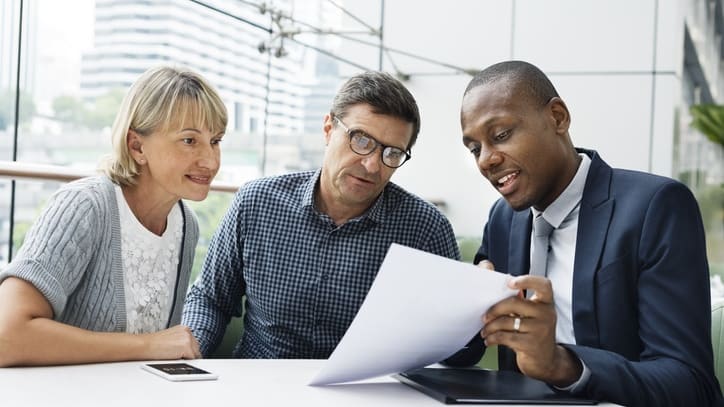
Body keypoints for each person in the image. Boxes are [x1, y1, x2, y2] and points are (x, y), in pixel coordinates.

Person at [458, 60, 724, 406]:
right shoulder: (503, 219)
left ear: (557, 117)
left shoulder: (655, 208)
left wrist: (562, 365)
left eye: (501, 135)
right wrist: (455, 311)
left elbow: (691, 384)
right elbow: (465, 352)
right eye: (474, 148)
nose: (485, 160)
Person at [182, 71, 460, 359]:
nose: (372, 165)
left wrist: (475, 316)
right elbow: (210, 300)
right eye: (361, 140)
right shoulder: (256, 203)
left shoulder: (425, 229)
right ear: (329, 129)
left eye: (391, 154)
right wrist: (188, 353)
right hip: (257, 386)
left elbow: (454, 344)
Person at [0, 65, 227, 366]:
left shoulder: (185, 226)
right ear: (137, 146)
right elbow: (7, 336)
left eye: (216, 141)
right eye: (189, 140)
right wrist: (147, 345)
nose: (210, 161)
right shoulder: (84, 207)